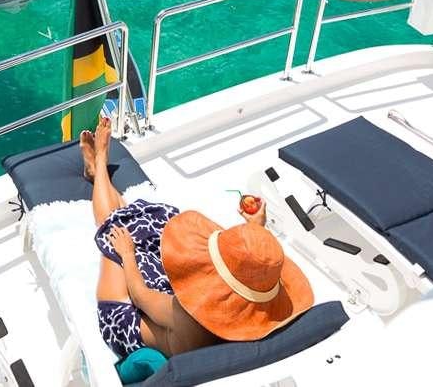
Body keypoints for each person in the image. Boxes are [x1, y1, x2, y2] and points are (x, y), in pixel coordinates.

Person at [81, 113, 313, 360]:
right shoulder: (265, 320)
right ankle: (99, 174)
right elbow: (252, 269)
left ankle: (100, 163)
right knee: (145, 226)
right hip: (184, 313)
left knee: (116, 229)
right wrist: (256, 231)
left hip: (129, 320)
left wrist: (127, 254)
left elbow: (139, 295)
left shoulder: (187, 314)